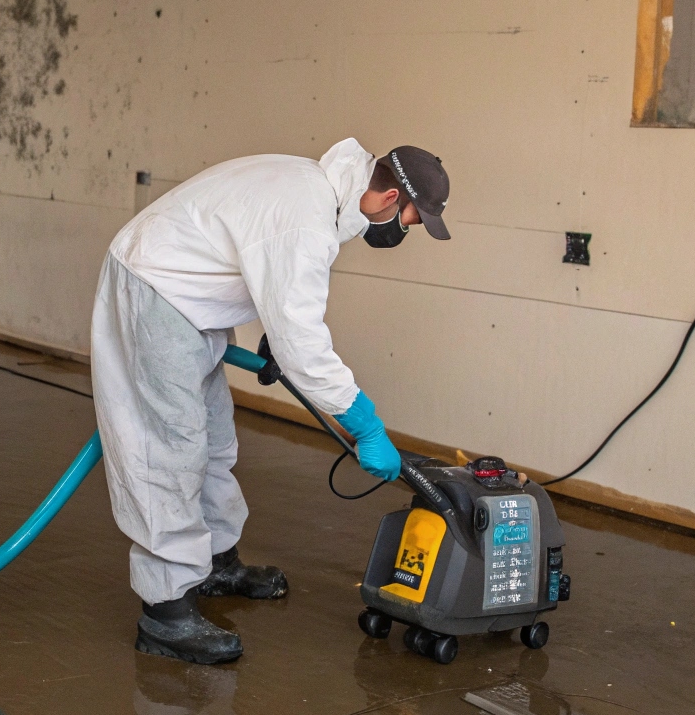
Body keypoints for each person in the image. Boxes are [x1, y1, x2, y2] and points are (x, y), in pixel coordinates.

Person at [91, 138, 451, 664]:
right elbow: (303, 334)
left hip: (193, 299)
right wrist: (364, 422)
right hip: (159, 288)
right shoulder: (305, 214)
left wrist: (275, 330)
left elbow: (269, 268)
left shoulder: (326, 193)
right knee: (171, 450)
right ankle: (165, 611)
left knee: (213, 440)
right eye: (414, 220)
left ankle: (216, 562)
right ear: (391, 197)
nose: (407, 231)